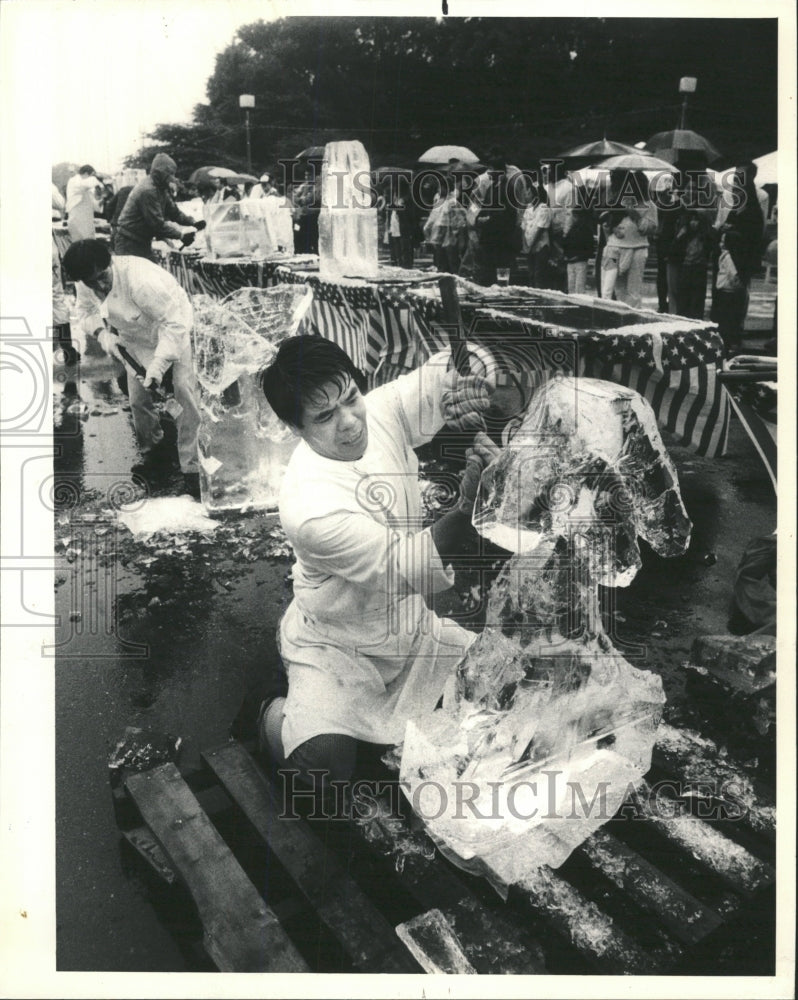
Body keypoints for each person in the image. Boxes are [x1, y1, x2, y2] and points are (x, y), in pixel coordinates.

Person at [257, 335, 498, 790]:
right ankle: (270, 708)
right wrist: (468, 504)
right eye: (324, 416)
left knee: (503, 681)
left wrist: (471, 378)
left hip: (411, 630)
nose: (350, 423)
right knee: (326, 765)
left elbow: (455, 365)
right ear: (296, 427)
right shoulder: (308, 507)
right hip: (338, 646)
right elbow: (407, 563)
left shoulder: (380, 410)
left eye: (350, 398)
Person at [62, 239, 201, 496]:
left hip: (173, 330)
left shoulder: (141, 281)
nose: (99, 286)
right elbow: (84, 313)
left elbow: (175, 324)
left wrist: (159, 366)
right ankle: (155, 456)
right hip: (133, 338)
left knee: (183, 392)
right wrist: (103, 334)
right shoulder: (86, 283)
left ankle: (191, 468)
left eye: (102, 277)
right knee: (139, 400)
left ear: (111, 261)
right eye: (91, 282)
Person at [114, 153, 204, 261]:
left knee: (152, 274)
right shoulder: (148, 190)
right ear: (160, 174)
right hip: (129, 242)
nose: (172, 178)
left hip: (140, 241)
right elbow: (157, 225)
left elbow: (174, 212)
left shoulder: (160, 188)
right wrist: (181, 236)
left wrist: (192, 222)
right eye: (170, 174)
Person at [461, 147, 523, 286]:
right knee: (492, 271)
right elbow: (474, 206)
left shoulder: (515, 176)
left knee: (497, 272)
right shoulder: (484, 181)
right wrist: (476, 221)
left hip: (502, 232)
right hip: (490, 231)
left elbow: (521, 205)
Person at [599, 173, 657, 309]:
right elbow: (605, 224)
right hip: (614, 248)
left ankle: (631, 318)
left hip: (638, 248)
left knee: (633, 290)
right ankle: (617, 316)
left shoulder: (650, 206)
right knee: (616, 289)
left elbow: (649, 228)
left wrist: (634, 214)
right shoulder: (619, 201)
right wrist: (612, 228)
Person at [422, 174, 469, 274]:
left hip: (449, 237)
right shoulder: (439, 201)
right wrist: (427, 230)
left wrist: (458, 236)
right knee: (441, 265)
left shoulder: (452, 202)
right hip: (438, 237)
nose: (439, 189)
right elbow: (432, 218)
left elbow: (460, 220)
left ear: (445, 188)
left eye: (440, 187)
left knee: (452, 264)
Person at [386, 174, 419, 269]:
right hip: (395, 224)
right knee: (397, 245)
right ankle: (399, 262)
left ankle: (406, 264)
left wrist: (397, 208)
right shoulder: (396, 198)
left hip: (404, 225)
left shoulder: (407, 199)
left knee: (405, 246)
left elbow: (408, 213)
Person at [562, 206, 595, 295]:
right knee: (571, 288)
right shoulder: (572, 229)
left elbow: (589, 249)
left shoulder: (586, 230)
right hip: (571, 261)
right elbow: (565, 244)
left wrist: (578, 256)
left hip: (580, 261)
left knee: (579, 288)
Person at [65, 165, 102, 241]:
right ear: (85, 173)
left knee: (88, 243)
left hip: (86, 221)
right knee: (80, 244)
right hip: (77, 219)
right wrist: (97, 180)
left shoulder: (85, 187)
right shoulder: (74, 180)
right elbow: (89, 183)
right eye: (92, 175)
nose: (93, 177)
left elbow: (96, 204)